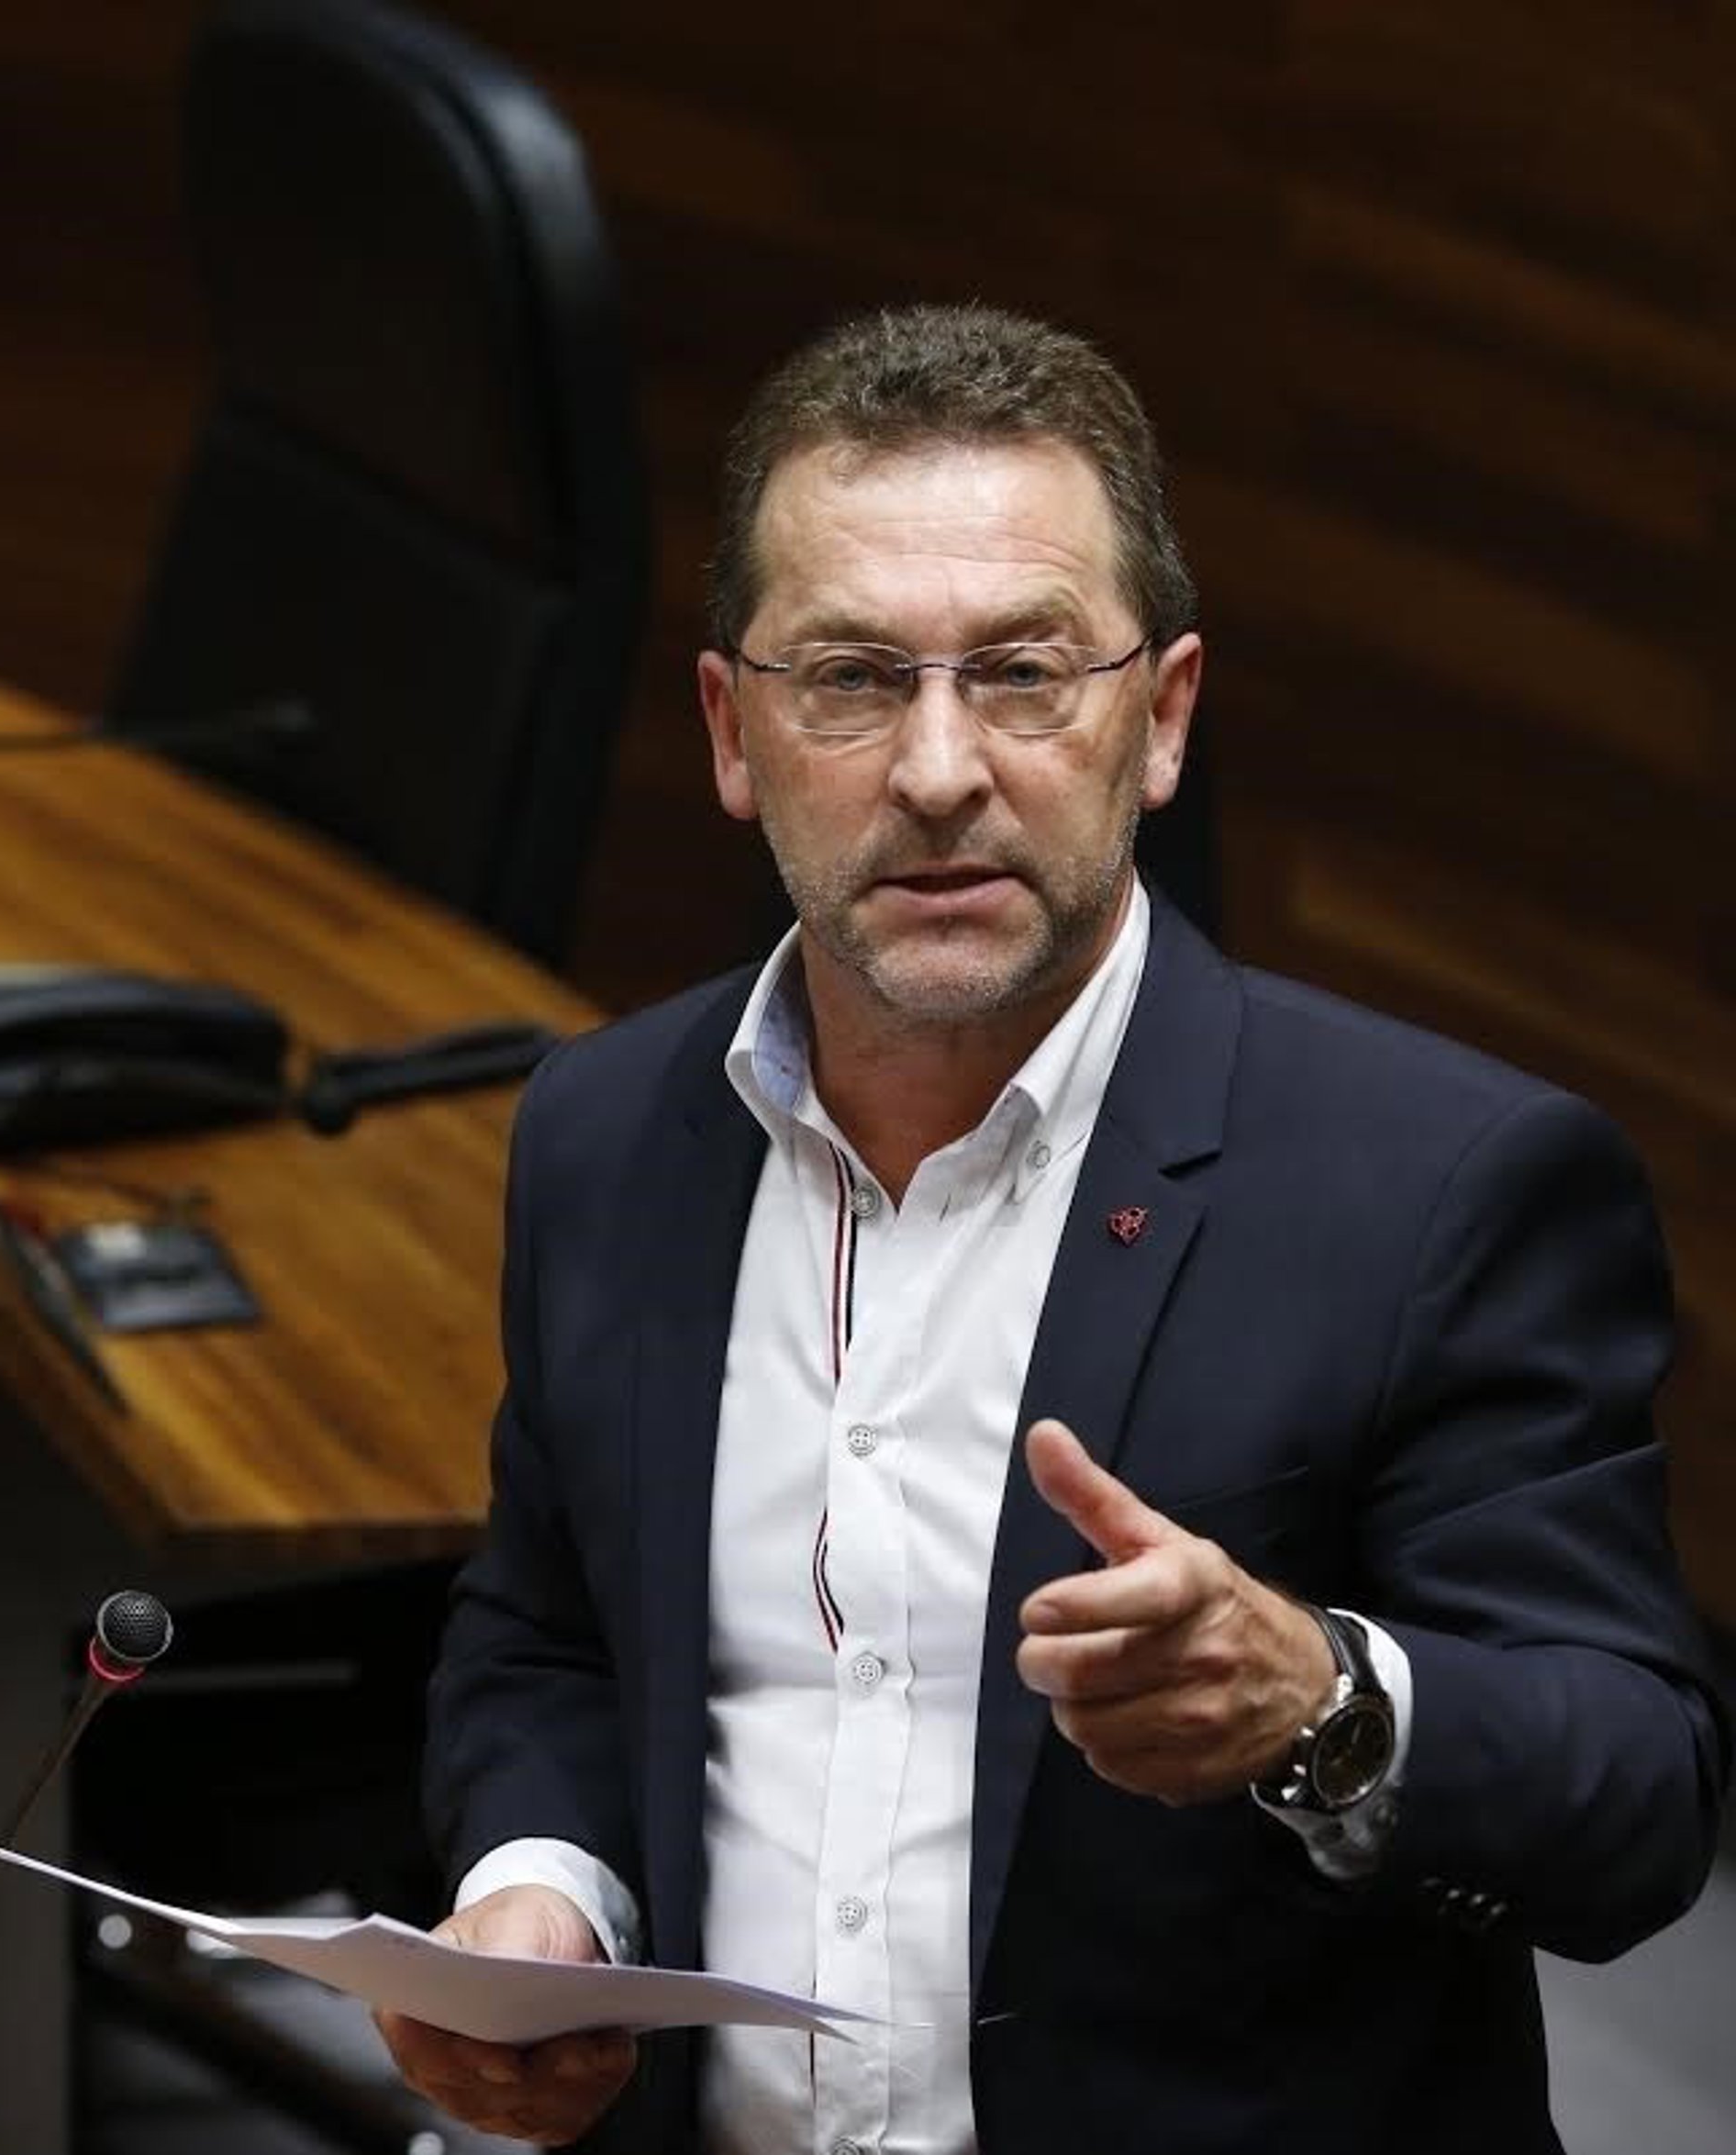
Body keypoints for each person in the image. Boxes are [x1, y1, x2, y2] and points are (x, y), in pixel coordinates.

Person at [375, 303, 1729, 2154]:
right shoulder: (608, 1134)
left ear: (1159, 720)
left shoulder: (1445, 1185)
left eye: (1022, 673)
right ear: (732, 732)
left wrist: (1323, 1701)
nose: (940, 769)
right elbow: (551, 1633)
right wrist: (544, 1890)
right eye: (851, 678)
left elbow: (1639, 1801)